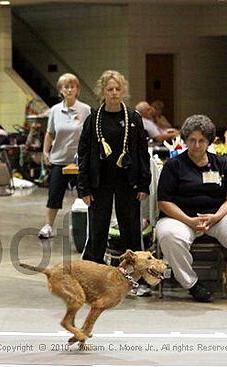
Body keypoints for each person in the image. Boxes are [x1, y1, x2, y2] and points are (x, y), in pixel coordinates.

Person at [156, 114, 227, 304]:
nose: (197, 145)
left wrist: (216, 217)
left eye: (201, 141)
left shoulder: (221, 164)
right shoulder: (173, 166)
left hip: (217, 217)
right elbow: (164, 202)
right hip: (181, 218)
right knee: (167, 234)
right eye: (192, 140)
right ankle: (192, 285)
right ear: (185, 140)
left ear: (209, 141)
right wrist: (189, 221)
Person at [77, 70, 151, 264]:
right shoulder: (93, 120)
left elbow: (143, 153)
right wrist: (83, 188)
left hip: (128, 182)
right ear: (103, 92)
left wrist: (144, 184)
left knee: (131, 229)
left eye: (118, 89)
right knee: (97, 229)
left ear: (123, 90)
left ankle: (134, 272)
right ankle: (93, 269)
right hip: (99, 182)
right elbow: (83, 155)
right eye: (110, 89)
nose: (114, 93)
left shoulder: (133, 118)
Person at [38, 73, 91, 239]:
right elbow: (50, 133)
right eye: (65, 87)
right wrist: (45, 152)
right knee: (54, 194)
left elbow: (90, 135)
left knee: (86, 194)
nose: (69, 90)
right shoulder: (54, 110)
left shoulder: (85, 110)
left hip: (80, 161)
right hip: (59, 159)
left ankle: (90, 225)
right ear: (60, 90)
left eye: (72, 86)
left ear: (77, 90)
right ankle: (48, 226)